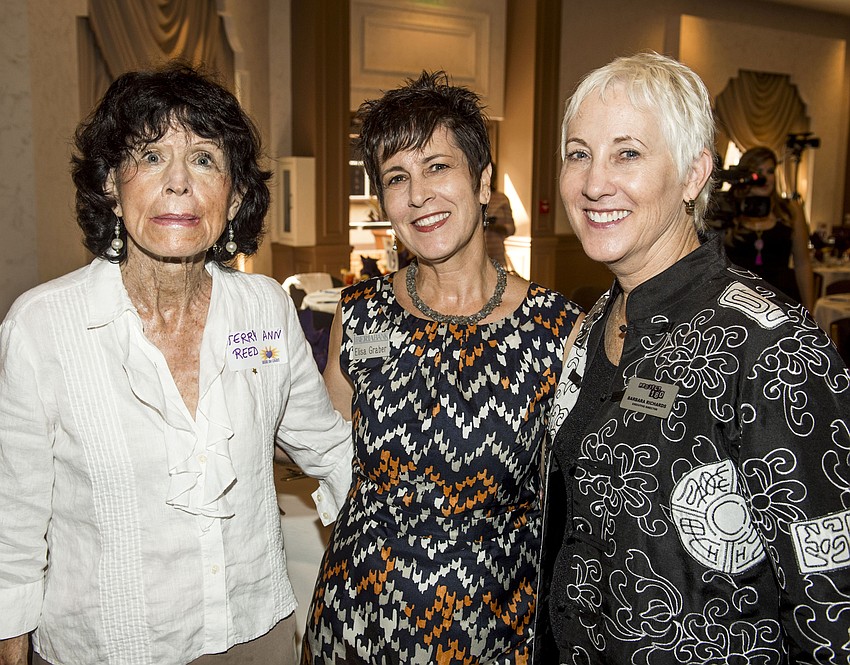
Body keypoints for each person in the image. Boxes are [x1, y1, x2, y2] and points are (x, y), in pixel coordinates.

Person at [0, 63, 352, 665]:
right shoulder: (43, 327)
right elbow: (13, 526)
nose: (179, 184)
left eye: (206, 160)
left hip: (253, 632)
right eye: (151, 156)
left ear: (235, 194)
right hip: (108, 645)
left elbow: (329, 447)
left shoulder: (263, 308)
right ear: (111, 183)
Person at [536, 52, 850, 664]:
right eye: (578, 153)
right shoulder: (590, 326)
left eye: (627, 153)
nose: (594, 182)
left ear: (693, 175)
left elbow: (832, 605)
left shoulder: (771, 346)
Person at [303, 71, 582, 663]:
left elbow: (578, 506)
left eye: (437, 167)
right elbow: (323, 450)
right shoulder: (358, 316)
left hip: (489, 632)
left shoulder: (558, 329)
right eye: (396, 178)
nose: (418, 196)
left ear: (483, 183)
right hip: (355, 622)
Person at [722, 146, 815, 310]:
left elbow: (803, 263)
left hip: (782, 297)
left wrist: (809, 309)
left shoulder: (790, 210)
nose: (765, 178)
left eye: (770, 171)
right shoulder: (728, 208)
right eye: (758, 171)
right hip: (739, 298)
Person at [484, 167, 516, 268]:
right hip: (476, 255)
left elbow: (511, 229)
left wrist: (496, 226)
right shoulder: (473, 198)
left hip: (497, 253)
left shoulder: (502, 199)